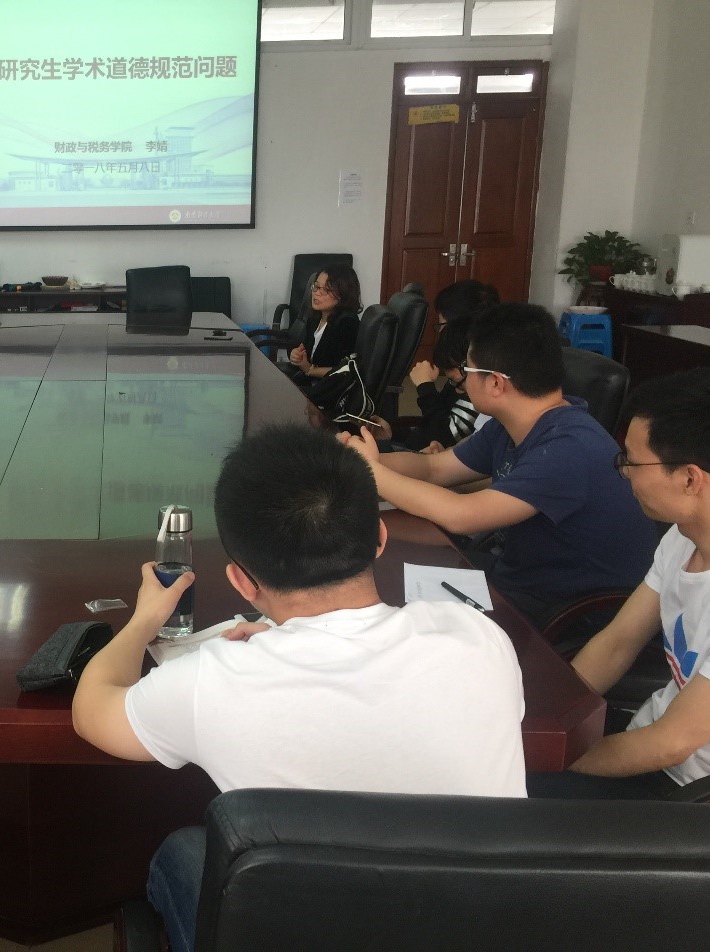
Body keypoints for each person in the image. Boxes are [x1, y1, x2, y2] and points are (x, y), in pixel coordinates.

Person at [72, 423, 527, 952]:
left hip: (303, 930)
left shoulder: (211, 682)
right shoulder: (476, 638)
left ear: (241, 581)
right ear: (380, 538)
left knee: (182, 851)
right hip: (475, 928)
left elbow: (92, 711)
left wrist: (146, 618)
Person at [338, 303, 655, 626]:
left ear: (495, 384)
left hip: (564, 611)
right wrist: (347, 460)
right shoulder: (512, 424)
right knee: (384, 567)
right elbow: (434, 468)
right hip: (518, 575)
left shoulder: (568, 448)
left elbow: (462, 515)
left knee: (386, 600)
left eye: (468, 369)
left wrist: (371, 471)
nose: (463, 380)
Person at [527, 369, 710, 799]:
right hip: (646, 741)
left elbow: (671, 744)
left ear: (690, 479)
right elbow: (618, 642)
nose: (624, 473)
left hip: (685, 795)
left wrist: (557, 759)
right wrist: (547, 724)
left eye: (631, 461)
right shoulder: (682, 537)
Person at [399, 314, 483, 452]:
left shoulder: (477, 403)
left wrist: (425, 387)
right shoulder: (456, 382)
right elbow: (433, 421)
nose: (455, 387)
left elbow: (440, 438)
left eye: (456, 382)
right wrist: (392, 433)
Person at [285, 263, 361, 387]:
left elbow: (346, 370)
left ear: (343, 294)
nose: (317, 293)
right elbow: (302, 347)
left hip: (329, 391)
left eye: (325, 290)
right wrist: (296, 354)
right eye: (316, 287)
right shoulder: (315, 317)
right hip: (311, 383)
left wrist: (310, 370)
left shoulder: (347, 323)